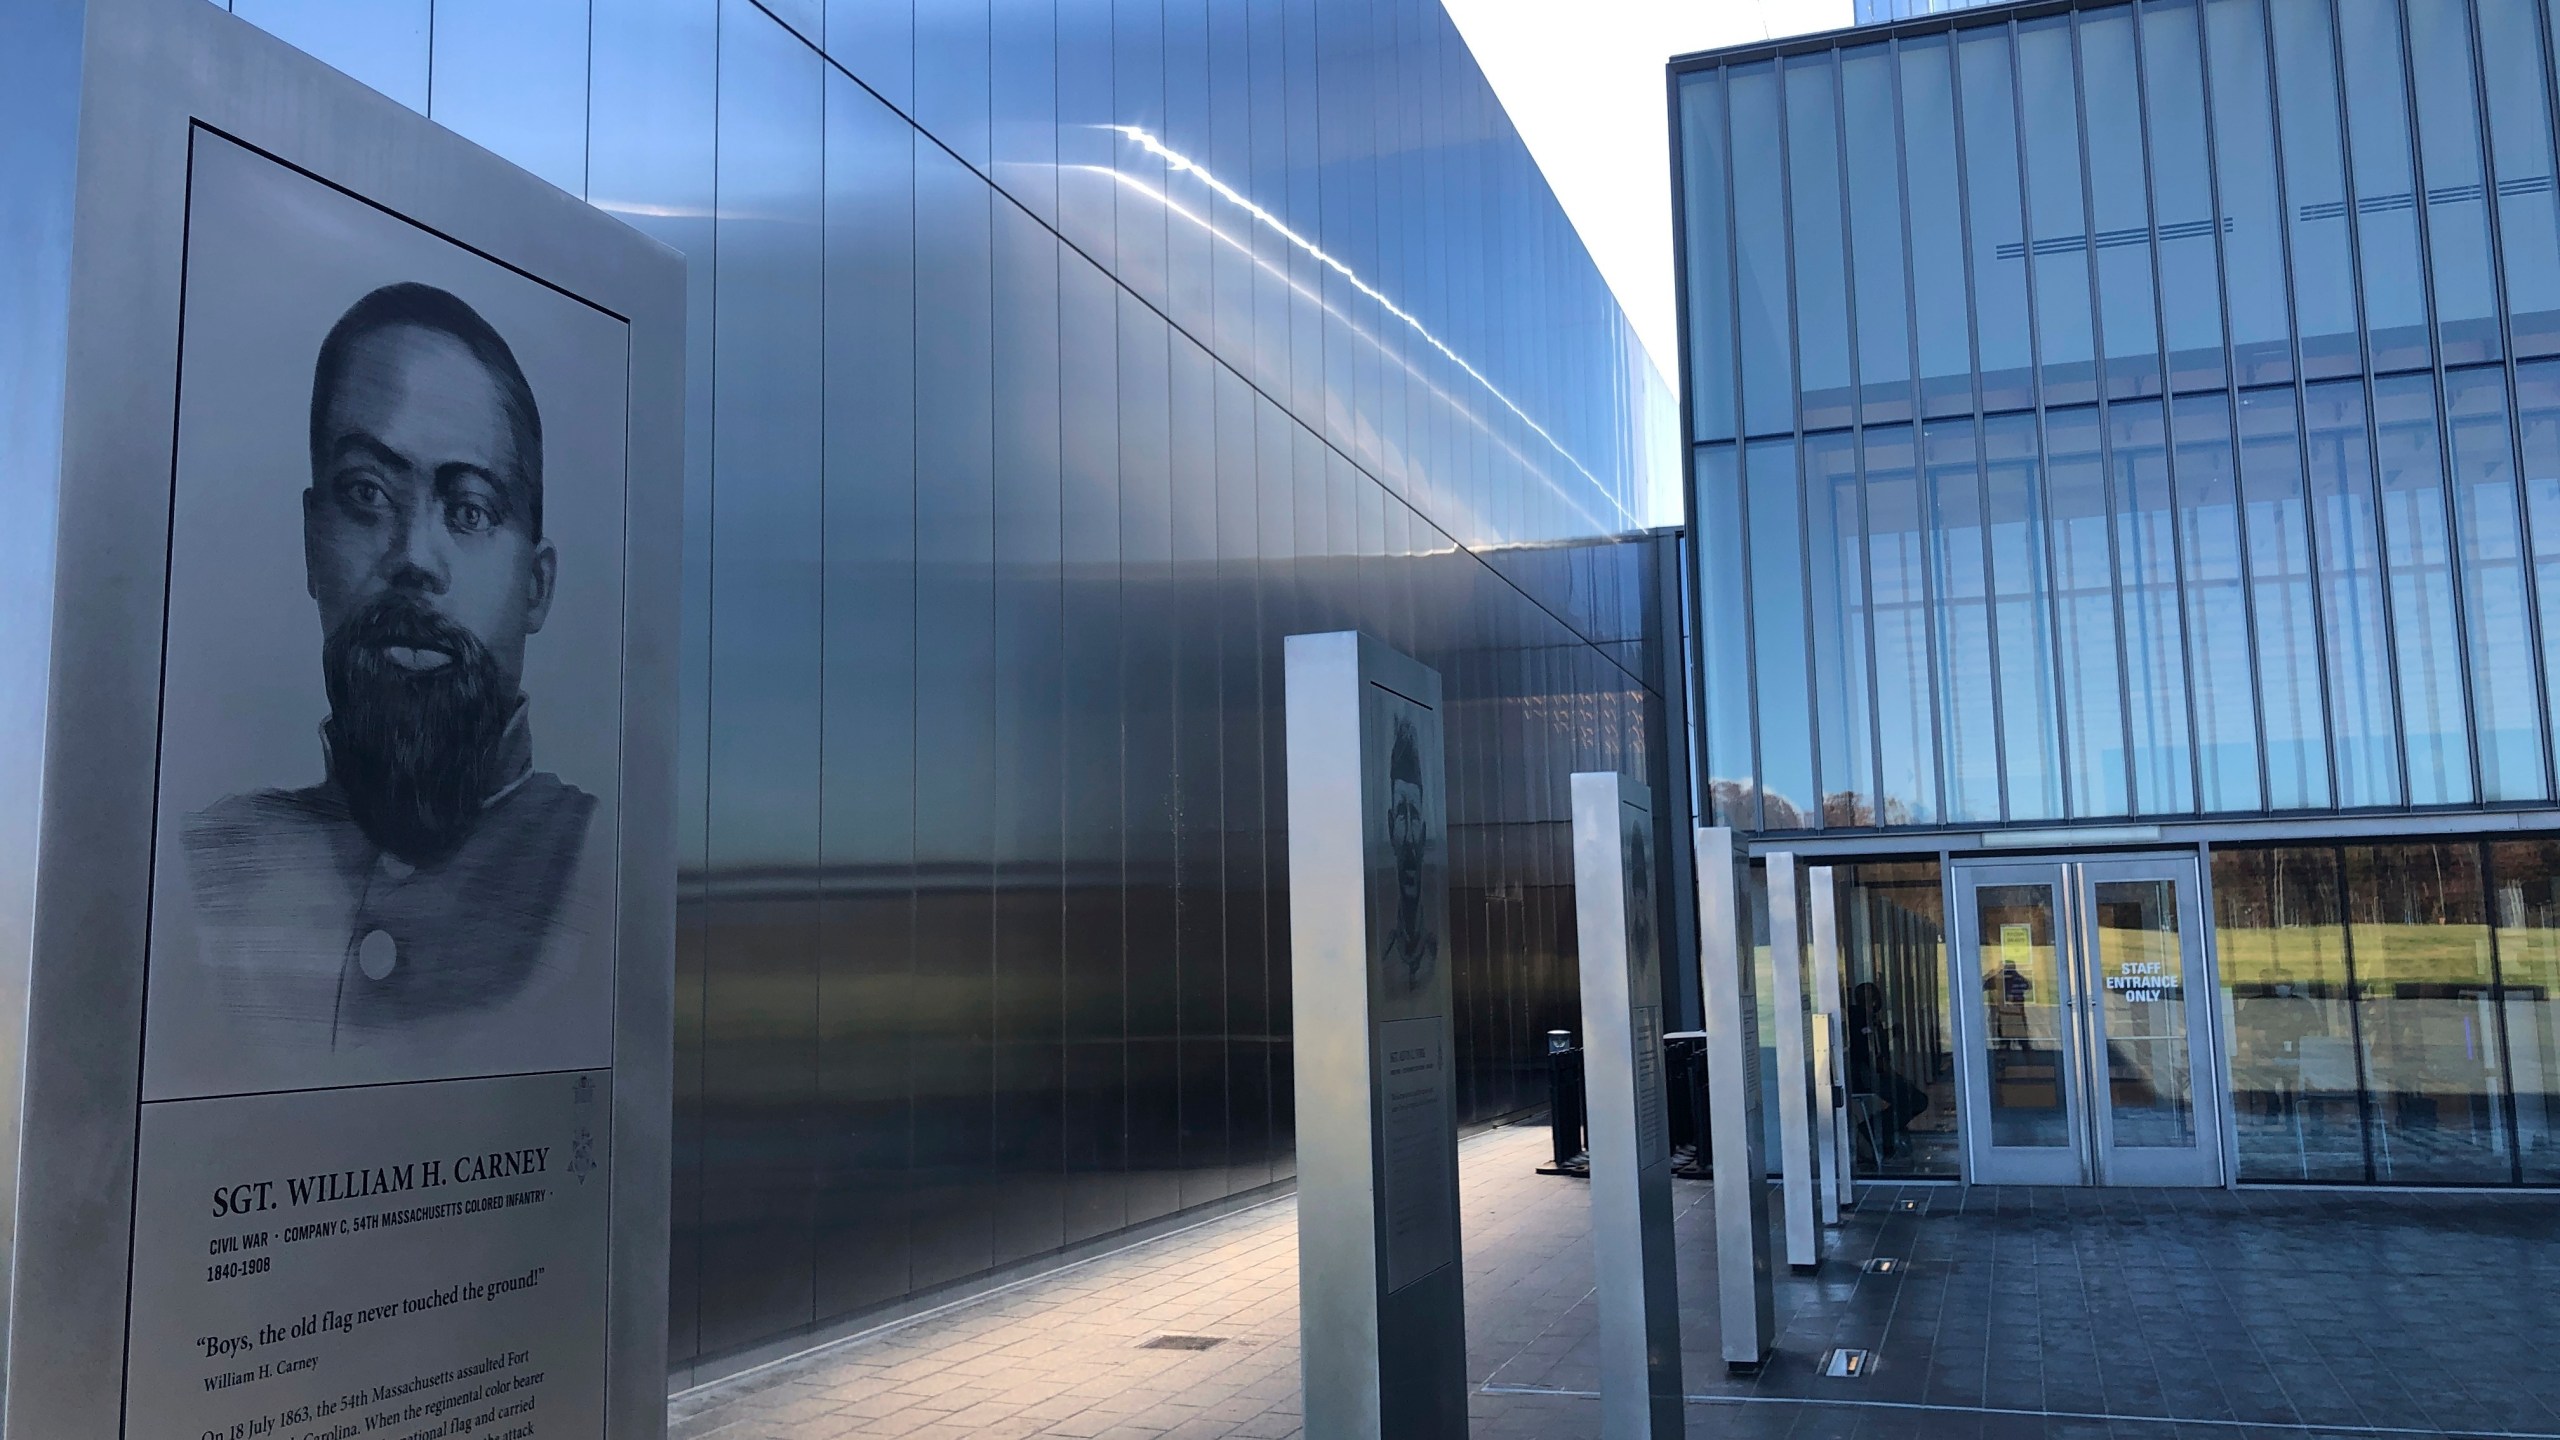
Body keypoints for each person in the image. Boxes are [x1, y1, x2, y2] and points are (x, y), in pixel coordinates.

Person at [180, 282, 596, 1049]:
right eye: (367, 494)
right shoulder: (199, 872)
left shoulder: (605, 871)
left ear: (536, 586)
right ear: (313, 543)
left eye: (468, 509)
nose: (412, 556)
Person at [1378, 714, 1438, 994]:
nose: (1411, 839)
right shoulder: (1384, 954)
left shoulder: (1434, 952)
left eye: (1413, 814)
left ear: (1424, 830)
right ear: (1390, 827)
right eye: (1401, 814)